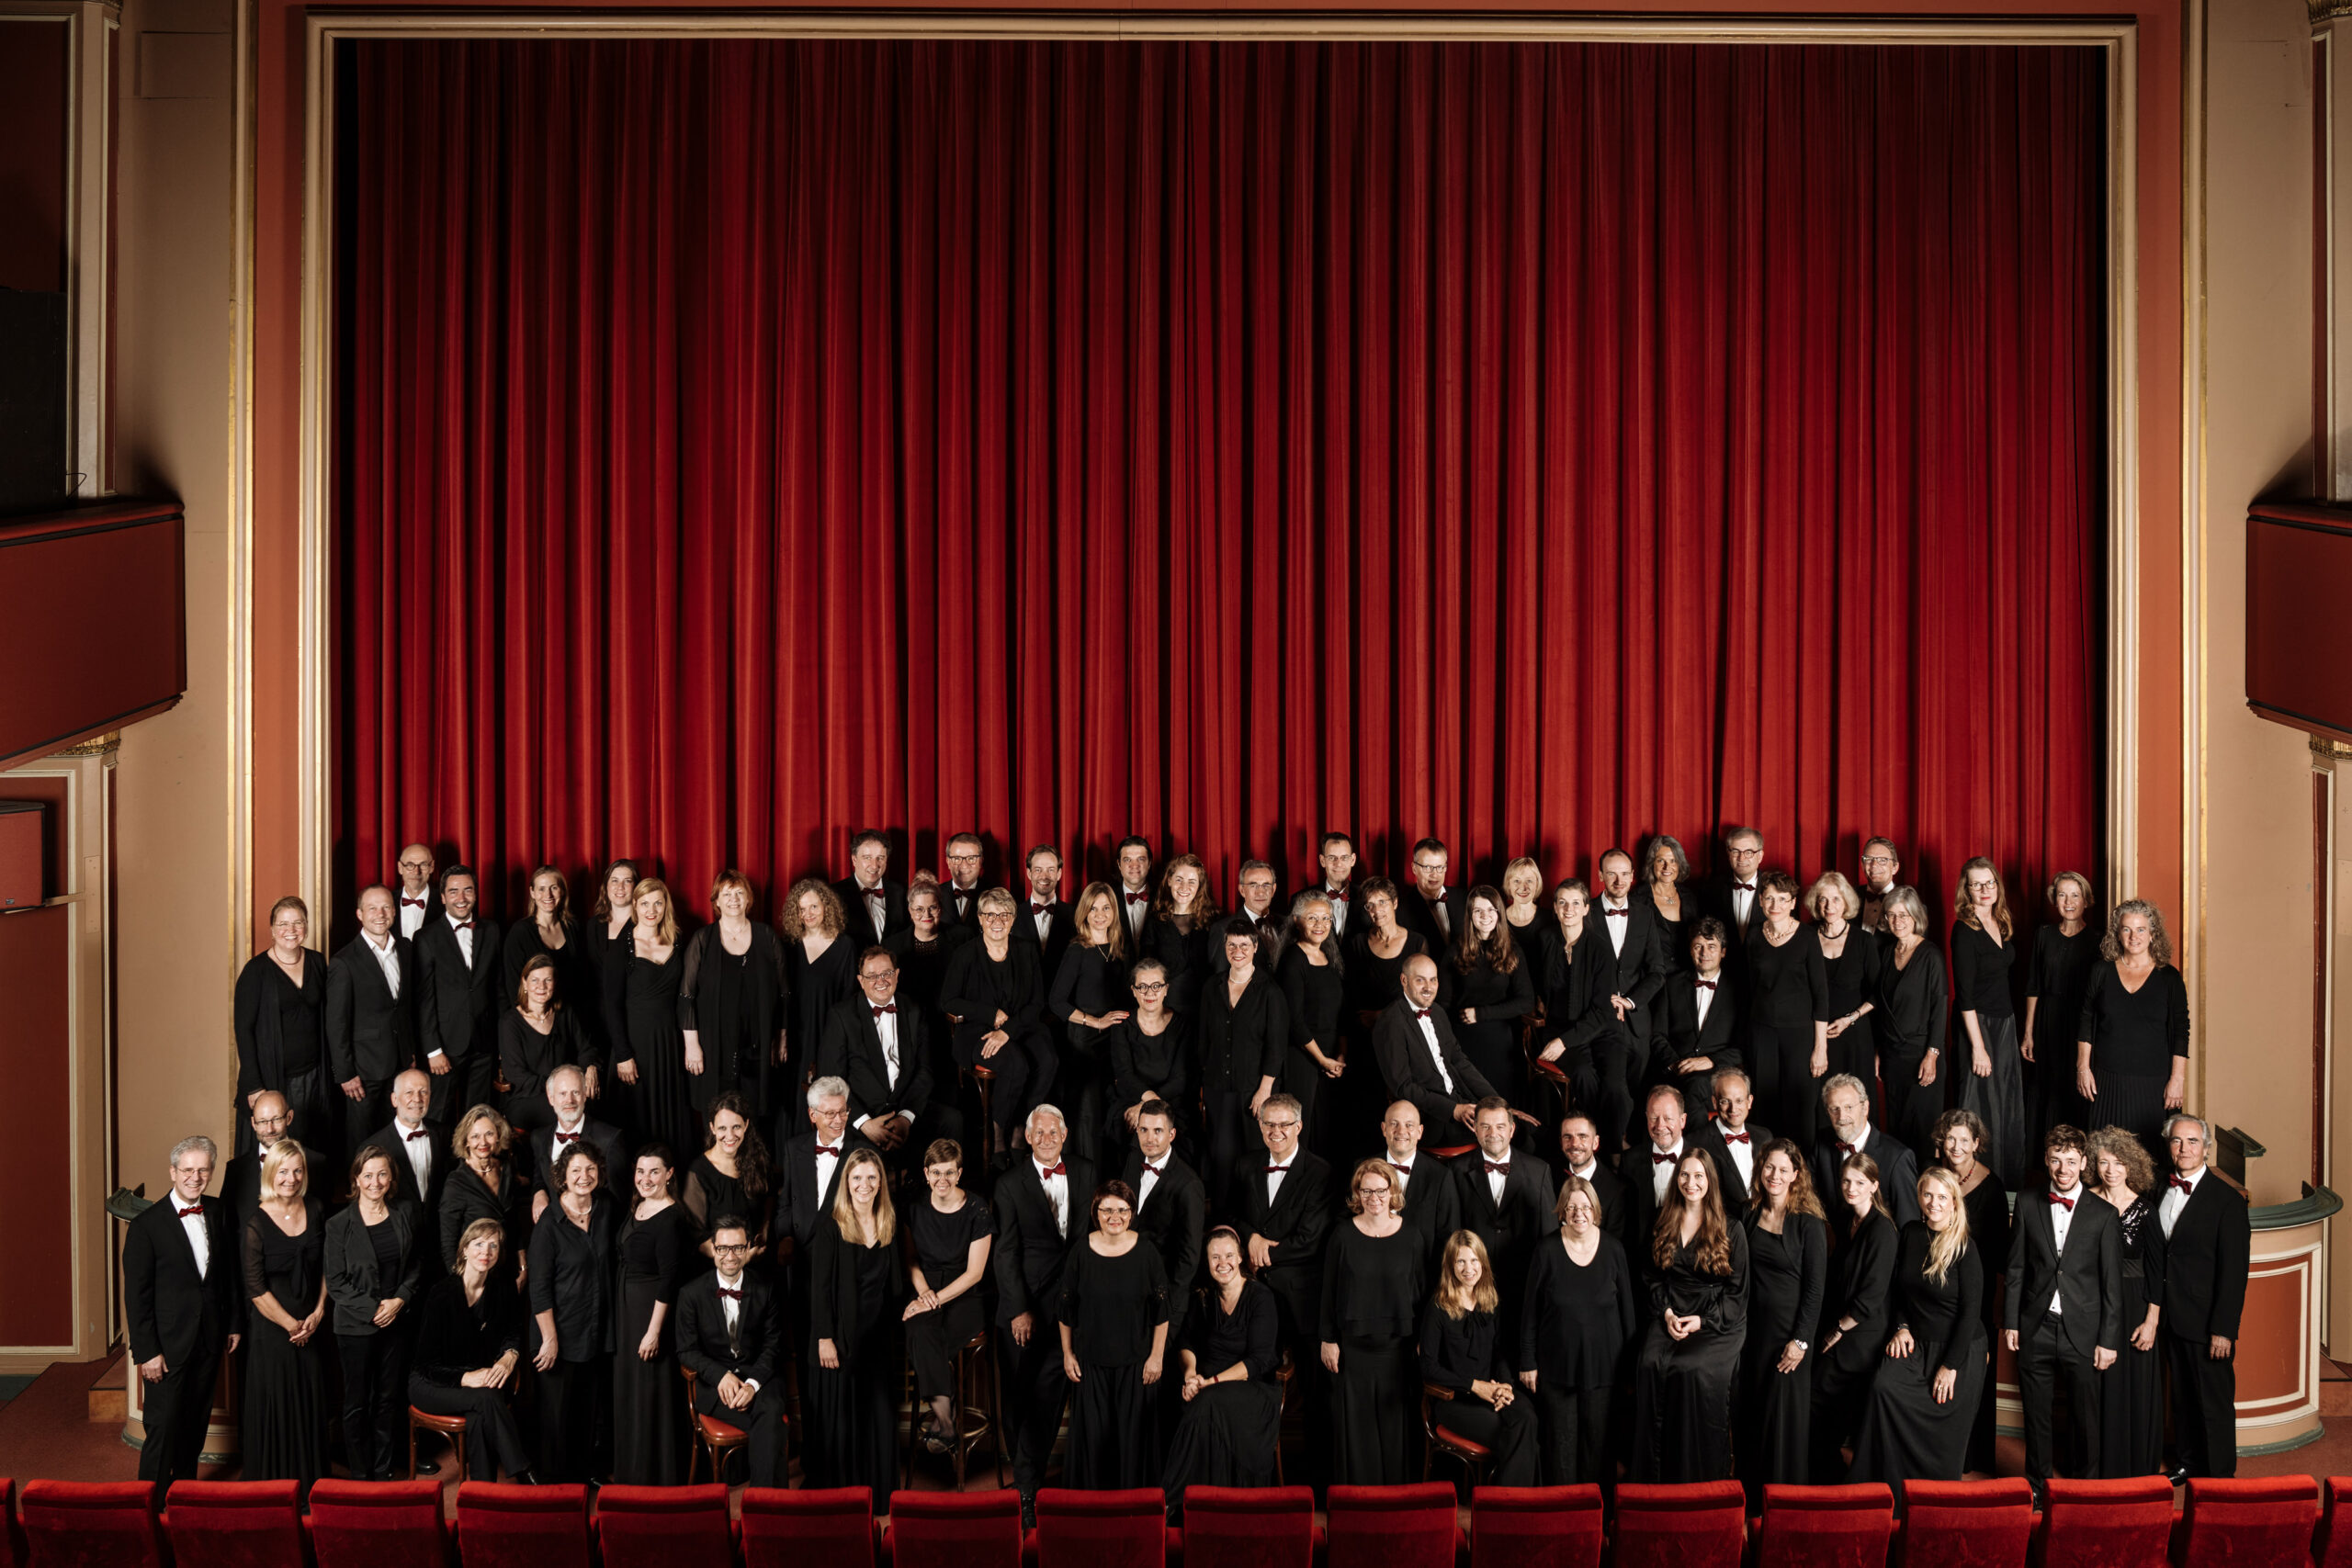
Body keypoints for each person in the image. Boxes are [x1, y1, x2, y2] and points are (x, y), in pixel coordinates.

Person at [2004, 1124, 2120, 1499]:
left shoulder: (2103, 1214)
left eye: (2071, 1161)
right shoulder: (2026, 1202)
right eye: (2056, 1161)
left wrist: (2107, 1340)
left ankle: (2085, 1491)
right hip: (2035, 1326)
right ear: (2046, 1161)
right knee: (2035, 1419)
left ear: (2084, 1162)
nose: (2064, 1169)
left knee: (2085, 1419)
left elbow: (2111, 1285)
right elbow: (2017, 1268)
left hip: (2083, 1330)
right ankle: (2037, 1488)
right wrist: (2011, 1322)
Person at [1849, 1168, 1984, 1484]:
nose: (1933, 1203)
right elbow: (1896, 1290)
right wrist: (1902, 1326)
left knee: (1940, 1413)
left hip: (1957, 1348)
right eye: (1927, 1195)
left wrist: (1950, 1366)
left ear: (1954, 1201)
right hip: (1915, 1340)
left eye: (1942, 1197)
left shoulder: (1966, 1248)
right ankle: (1883, 1486)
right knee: (1883, 1387)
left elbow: (1970, 1313)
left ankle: (1930, 1496)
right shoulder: (1910, 1232)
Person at [995, 1105, 1093, 1509]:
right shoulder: (1008, 1184)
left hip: (1070, 1306)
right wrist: (1019, 1308)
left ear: (1065, 1134)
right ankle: (1025, 1480)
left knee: (1049, 1393)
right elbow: (1005, 1252)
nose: (1048, 1138)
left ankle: (1026, 1487)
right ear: (1029, 1138)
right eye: (1041, 1133)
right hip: (1026, 1305)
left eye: (1055, 1131)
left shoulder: (1086, 1171)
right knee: (1019, 1396)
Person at [1630, 1148, 1748, 1482]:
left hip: (1716, 1319)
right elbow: (1651, 1276)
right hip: (1667, 1309)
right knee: (1649, 1364)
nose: (1690, 1182)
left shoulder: (1732, 1228)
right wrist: (1666, 1313)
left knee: (1690, 1370)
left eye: (1698, 1176)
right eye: (1684, 1175)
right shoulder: (1662, 1219)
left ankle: (1696, 1477)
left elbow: (1736, 1294)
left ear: (1710, 1180)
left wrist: (1702, 1321)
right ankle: (1654, 1477)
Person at [1518, 1175, 1638, 1486]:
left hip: (1604, 1369)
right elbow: (1529, 1312)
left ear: (1595, 1209)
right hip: (1556, 1369)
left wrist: (1629, 1369)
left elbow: (1628, 1314)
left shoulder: (1613, 1250)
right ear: (1562, 1211)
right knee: (1561, 1447)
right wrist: (1527, 1361)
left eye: (1585, 1206)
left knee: (1598, 1447)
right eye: (1571, 1207)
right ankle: (1565, 1519)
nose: (1578, 1214)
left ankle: (1598, 1520)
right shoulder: (1546, 1250)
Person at [806, 1147, 907, 1499]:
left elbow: (895, 1285)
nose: (864, 1185)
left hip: (876, 1336)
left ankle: (877, 1491)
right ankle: (843, 1496)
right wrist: (824, 1337)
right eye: (857, 1178)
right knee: (844, 1419)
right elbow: (819, 1288)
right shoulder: (831, 1225)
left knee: (877, 1413)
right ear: (846, 1182)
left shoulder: (888, 1221)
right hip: (839, 1335)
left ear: (881, 1183)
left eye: (871, 1178)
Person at [1059, 1181, 1173, 1487]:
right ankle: (1095, 1512)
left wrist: (1157, 1357)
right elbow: (1066, 1308)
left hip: (1136, 1365)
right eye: (1107, 1209)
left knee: (1132, 1442)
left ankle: (1132, 1510)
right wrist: (1068, 1354)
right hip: (1090, 1364)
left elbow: (1161, 1312)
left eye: (1122, 1210)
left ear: (1131, 1213)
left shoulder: (1147, 1252)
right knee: (1094, 1443)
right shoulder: (1081, 1251)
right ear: (1096, 1213)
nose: (1115, 1216)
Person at [1319, 1160, 1426, 1483]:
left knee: (1397, 1429)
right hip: (1354, 1350)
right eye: (1366, 1190)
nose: (1374, 1197)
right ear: (1357, 1193)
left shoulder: (1411, 1235)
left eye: (1380, 1190)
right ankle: (1359, 1503)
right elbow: (1329, 1290)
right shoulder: (1342, 1235)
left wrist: (1423, 1341)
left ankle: (1396, 1502)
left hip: (1398, 1350)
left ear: (1392, 1191)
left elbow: (1421, 1292)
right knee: (1358, 1428)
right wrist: (1328, 1339)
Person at [2159, 1113, 2250, 1481]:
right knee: (2181, 1399)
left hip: (2207, 1321)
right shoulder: (2159, 1190)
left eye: (2193, 1141)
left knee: (2213, 1404)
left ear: (2207, 1149)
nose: (2184, 1148)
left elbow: (2234, 1275)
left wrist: (2223, 1330)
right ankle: (2188, 1461)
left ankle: (2218, 1477)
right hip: (2170, 1317)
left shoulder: (2228, 1201)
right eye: (2178, 1141)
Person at [1161, 1226, 1283, 1500]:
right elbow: (1186, 1343)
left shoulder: (1260, 1297)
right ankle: (1201, 1502)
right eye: (1215, 1257)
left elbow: (1259, 1360)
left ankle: (1171, 1498)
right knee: (1183, 1400)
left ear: (1240, 1258)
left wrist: (1210, 1383)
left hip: (1252, 1389)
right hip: (1207, 1385)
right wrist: (1191, 1375)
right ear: (1207, 1261)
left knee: (1206, 1403)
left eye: (1229, 1255)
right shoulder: (1202, 1297)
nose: (1222, 1263)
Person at [324, 1146, 424, 1481]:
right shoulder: (338, 1225)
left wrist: (399, 1301)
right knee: (357, 1403)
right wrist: (374, 1309)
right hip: (354, 1326)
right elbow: (336, 1283)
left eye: (382, 1174)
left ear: (391, 1177)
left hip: (396, 1321)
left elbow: (415, 1266)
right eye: (367, 1175)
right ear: (356, 1179)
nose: (375, 1181)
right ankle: (360, 1472)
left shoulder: (404, 1213)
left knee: (388, 1398)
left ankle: (383, 1470)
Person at [409, 1219, 533, 1482]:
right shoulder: (440, 1294)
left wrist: (510, 1355)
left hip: (477, 1379)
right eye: (478, 1244)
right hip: (431, 1383)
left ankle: (480, 1488)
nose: (485, 1253)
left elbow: (514, 1331)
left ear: (499, 1254)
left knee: (480, 1411)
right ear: (464, 1249)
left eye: (493, 1246)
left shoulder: (504, 1287)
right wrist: (466, 1378)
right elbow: (424, 1364)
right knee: (486, 1398)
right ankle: (523, 1469)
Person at [1738, 1139, 1826, 1500]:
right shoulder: (1748, 1213)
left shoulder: (1810, 1225)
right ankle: (1752, 1497)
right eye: (1769, 1167)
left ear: (1795, 1175)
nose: (1775, 1175)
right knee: (1753, 1413)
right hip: (1752, 1333)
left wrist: (1801, 1341)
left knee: (1783, 1420)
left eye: (1783, 1169)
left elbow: (1815, 1289)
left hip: (1790, 1339)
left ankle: (1784, 1502)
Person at [674, 1216, 789, 1486]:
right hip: (714, 1385)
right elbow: (686, 1350)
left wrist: (751, 1384)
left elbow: (774, 1345)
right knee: (771, 1423)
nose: (730, 1256)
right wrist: (721, 1376)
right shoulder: (691, 1294)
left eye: (738, 1248)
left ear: (748, 1247)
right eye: (723, 1248)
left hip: (757, 1378)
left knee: (769, 1409)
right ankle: (770, 1505)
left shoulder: (765, 1288)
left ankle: (761, 1504)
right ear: (713, 1249)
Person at [528, 1140, 618, 1482]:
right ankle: (555, 1483)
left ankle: (584, 1473)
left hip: (594, 1327)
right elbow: (538, 1288)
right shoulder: (549, 1225)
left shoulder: (607, 1207)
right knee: (557, 1415)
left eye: (591, 1169)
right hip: (558, 1332)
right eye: (576, 1170)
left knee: (588, 1409)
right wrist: (549, 1339)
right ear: (562, 1176)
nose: (584, 1176)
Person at [241, 1140, 329, 1486]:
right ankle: (275, 1488)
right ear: (270, 1173)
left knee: (309, 1403)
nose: (290, 1178)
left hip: (312, 1324)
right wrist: (292, 1325)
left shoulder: (317, 1208)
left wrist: (319, 1312)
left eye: (297, 1170)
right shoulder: (256, 1223)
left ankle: (311, 1486)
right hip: (274, 1330)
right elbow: (256, 1289)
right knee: (277, 1406)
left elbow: (327, 1267)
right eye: (283, 1171)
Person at [2075, 901, 2192, 1161]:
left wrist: (2177, 1079)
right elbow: (2086, 1020)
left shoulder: (2169, 978)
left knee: (2149, 1162)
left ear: (2153, 934)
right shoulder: (2101, 971)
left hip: (2153, 1085)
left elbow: (2181, 1032)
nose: (2134, 937)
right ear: (2117, 933)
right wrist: (2083, 1068)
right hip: (2105, 1082)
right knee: (2103, 1158)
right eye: (2126, 930)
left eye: (2141, 930)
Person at [942, 888, 1056, 1152]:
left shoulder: (1026, 951)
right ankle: (999, 1132)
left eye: (1004, 914)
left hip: (1022, 1025)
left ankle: (1023, 1125)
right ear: (980, 918)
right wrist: (989, 1013)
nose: (997, 921)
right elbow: (948, 1001)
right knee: (1016, 1064)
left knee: (1049, 1060)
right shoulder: (965, 954)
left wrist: (1009, 1030)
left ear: (1014, 919)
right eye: (990, 914)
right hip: (977, 1030)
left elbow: (1037, 1002)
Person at [1419, 1230, 1537, 1483]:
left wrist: (1505, 1386)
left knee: (1528, 1416)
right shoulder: (1438, 1307)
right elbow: (1428, 1367)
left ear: (1483, 1263)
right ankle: (1508, 1509)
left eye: (1474, 1261)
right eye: (1461, 1261)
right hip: (1454, 1401)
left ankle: (1505, 1505)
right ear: (1450, 1265)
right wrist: (1476, 1387)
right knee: (1517, 1434)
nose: (1468, 1268)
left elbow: (1500, 1353)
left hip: (1491, 1392)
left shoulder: (1490, 1302)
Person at [1809, 1154, 1898, 1483]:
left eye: (1860, 1182)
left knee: (1820, 1401)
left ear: (1874, 1186)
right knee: (1824, 1406)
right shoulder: (1849, 1221)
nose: (1851, 1188)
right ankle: (1824, 1473)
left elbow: (1872, 1296)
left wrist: (1837, 1330)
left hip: (1861, 1333)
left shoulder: (1882, 1230)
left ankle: (1828, 1477)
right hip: (1845, 1325)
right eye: (1846, 1181)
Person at [1233, 1095, 1335, 1382]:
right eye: (1268, 1124)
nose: (1275, 1131)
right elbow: (1229, 1215)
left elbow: (1309, 1240)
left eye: (1284, 1125)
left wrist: (1260, 1255)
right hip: (1251, 1292)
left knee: (1313, 1386)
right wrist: (1250, 1236)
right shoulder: (1245, 1165)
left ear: (1299, 1126)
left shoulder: (1320, 1172)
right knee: (1254, 1377)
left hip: (1299, 1295)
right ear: (1260, 1126)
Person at [903, 1139, 993, 1454]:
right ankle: (946, 1421)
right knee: (917, 1328)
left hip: (967, 1294)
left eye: (950, 1173)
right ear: (926, 1173)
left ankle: (944, 1425)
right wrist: (924, 1292)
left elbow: (975, 1273)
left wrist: (934, 1299)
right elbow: (911, 1259)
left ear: (959, 1173)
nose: (943, 1180)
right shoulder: (914, 1207)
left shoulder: (977, 1208)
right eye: (936, 1172)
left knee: (931, 1339)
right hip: (927, 1287)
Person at [680, 871, 790, 1125]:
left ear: (749, 899)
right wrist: (692, 1045)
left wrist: (781, 1038)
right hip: (713, 1045)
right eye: (726, 894)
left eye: (739, 893)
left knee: (756, 1116)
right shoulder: (702, 940)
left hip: (759, 1044)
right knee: (717, 1114)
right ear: (716, 901)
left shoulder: (767, 936)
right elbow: (686, 996)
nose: (733, 899)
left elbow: (784, 992)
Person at [235, 897, 335, 1172]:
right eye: (283, 924)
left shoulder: (316, 961)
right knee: (274, 1157)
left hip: (315, 1077)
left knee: (309, 1153)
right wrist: (255, 1085)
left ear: (306, 926)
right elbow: (243, 1031)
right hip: (271, 1080)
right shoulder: (255, 972)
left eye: (298, 922)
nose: (291, 929)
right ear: (272, 929)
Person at [2086, 1126, 2165, 1479]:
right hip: (2093, 1302)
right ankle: (2098, 1467)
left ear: (2131, 1165)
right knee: (2096, 1386)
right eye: (2104, 1162)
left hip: (2135, 1305)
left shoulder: (2146, 1211)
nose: (2111, 1170)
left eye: (2118, 1163)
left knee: (2133, 1386)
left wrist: (2151, 1321)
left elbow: (2157, 1272)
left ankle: (2134, 1468)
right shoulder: (2083, 1201)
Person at [1934, 1109, 2009, 1472]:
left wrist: (1996, 1305)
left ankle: (1974, 1456)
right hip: (1937, 1293)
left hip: (1977, 1297)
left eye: (1965, 1139)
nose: (1957, 1146)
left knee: (1975, 1371)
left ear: (1977, 1144)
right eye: (1951, 1138)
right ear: (1941, 1142)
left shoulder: (1992, 1188)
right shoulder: (1932, 1179)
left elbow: (2000, 1256)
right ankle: (1940, 1454)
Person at [1197, 925, 1292, 1213]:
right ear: (1225, 948)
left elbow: (1277, 1046)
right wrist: (1203, 1086)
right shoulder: (1211, 987)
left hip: (1254, 1089)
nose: (1237, 952)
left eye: (1243, 946)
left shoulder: (1270, 991)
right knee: (1221, 1160)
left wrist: (1264, 1090)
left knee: (1253, 1158)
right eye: (1231, 946)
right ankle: (1224, 1226)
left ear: (1255, 948)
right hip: (1217, 1088)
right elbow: (1204, 1040)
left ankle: (1251, 1223)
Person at [612, 1145, 690, 1485]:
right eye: (640, 1171)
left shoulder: (671, 1217)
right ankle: (632, 1471)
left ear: (670, 1174)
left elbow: (670, 1279)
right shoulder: (639, 1205)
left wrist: (654, 1331)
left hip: (650, 1313)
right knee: (632, 1391)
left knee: (650, 1391)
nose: (645, 1179)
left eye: (654, 1171)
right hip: (628, 1312)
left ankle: (655, 1476)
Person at [1532, 880, 1629, 1147]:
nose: (1568, 908)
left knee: (1615, 1087)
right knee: (1585, 1076)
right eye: (1562, 902)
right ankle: (1586, 1146)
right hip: (1560, 1028)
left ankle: (1610, 1150)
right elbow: (1536, 985)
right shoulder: (1545, 940)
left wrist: (1563, 1043)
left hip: (1602, 1030)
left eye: (1576, 903)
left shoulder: (1601, 948)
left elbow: (1601, 1011)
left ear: (1587, 908)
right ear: (1554, 907)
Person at [325, 885, 418, 1155]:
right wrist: (345, 1074)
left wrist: (409, 1050)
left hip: (400, 1063)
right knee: (363, 1139)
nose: (381, 914)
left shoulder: (406, 948)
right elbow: (336, 1023)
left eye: (387, 907)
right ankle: (359, 1194)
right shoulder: (344, 961)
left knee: (397, 1136)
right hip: (363, 1070)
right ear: (359, 914)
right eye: (372, 908)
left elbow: (407, 1007)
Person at [1453, 1097, 1555, 1337]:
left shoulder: (1539, 1171)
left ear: (1512, 1129)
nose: (1493, 1133)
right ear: (1475, 1129)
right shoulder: (1456, 1170)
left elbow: (1549, 1237)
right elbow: (1452, 1235)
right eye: (1485, 1126)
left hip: (1523, 1286)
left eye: (1500, 1126)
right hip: (1472, 1288)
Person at [1745, 873, 1833, 1152]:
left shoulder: (1808, 937)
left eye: (1782, 899)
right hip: (1761, 1034)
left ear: (1793, 903)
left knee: (1800, 1110)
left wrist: (1821, 1048)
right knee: (1765, 1108)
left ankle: (1802, 1179)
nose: (1775, 905)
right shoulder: (1754, 935)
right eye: (1769, 898)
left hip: (1800, 1036)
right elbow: (1747, 990)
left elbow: (1821, 996)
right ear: (1760, 901)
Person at [1951, 859, 2025, 1185]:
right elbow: (1964, 996)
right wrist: (1978, 1048)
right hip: (1977, 1027)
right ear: (1966, 891)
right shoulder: (1964, 930)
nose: (1985, 890)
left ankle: (2005, 1183)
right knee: (1977, 1106)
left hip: (2005, 1023)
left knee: (2006, 1105)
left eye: (1990, 883)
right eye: (1976, 884)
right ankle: (1971, 1183)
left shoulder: (2001, 921)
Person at [1047, 882, 1130, 1164]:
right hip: (1084, 1041)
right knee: (1088, 1112)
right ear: (1084, 912)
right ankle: (1088, 1175)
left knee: (1114, 1107)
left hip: (1115, 1041)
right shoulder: (1077, 950)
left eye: (1106, 908)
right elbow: (1056, 1002)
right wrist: (1095, 1022)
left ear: (1114, 912)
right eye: (1093, 908)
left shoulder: (1119, 949)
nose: (1099, 914)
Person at [1373, 953, 1498, 1137]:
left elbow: (1459, 1061)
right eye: (1420, 981)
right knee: (1499, 1137)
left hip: (1461, 1099)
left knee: (1519, 1129)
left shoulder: (1438, 1012)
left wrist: (1494, 1101)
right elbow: (1403, 1087)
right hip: (1429, 1116)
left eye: (1433, 980)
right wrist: (1453, 1109)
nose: (1428, 988)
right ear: (1404, 980)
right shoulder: (1390, 1021)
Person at [415, 865, 503, 1123]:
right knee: (438, 1115)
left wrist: (501, 1044)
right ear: (442, 897)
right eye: (453, 892)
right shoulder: (426, 938)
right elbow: (424, 999)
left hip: (484, 1043)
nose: (461, 898)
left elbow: (499, 990)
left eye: (468, 890)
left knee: (478, 1116)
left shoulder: (492, 931)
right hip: (445, 1046)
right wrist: (433, 1050)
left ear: (476, 893)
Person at [613, 876, 693, 1156]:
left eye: (658, 902)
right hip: (635, 1044)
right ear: (635, 905)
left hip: (670, 1042)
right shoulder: (622, 945)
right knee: (639, 1117)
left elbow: (688, 994)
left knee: (670, 1111)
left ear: (665, 905)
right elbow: (610, 1005)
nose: (651, 909)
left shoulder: (678, 939)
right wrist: (623, 1054)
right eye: (645, 903)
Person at [1442, 886, 1538, 1105]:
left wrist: (1482, 1013)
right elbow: (1443, 1003)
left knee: (1500, 1056)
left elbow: (1526, 1001)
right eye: (1478, 911)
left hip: (1499, 1028)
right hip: (1462, 1030)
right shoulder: (1455, 951)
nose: (1485, 916)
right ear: (1470, 916)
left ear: (1499, 913)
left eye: (1491, 910)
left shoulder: (1513, 950)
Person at [780, 879, 859, 1135]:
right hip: (795, 1032)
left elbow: (849, 996)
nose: (808, 914)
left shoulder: (845, 945)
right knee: (793, 1093)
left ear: (827, 906)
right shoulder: (789, 945)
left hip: (829, 1032)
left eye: (814, 906)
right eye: (802, 909)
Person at [1874, 889, 1949, 1157]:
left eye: (1903, 915)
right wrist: (1878, 1051)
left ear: (1915, 916)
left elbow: (1940, 1008)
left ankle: (1925, 1192)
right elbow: (1881, 1007)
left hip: (1922, 1056)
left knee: (1922, 1131)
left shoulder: (1931, 955)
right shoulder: (1886, 952)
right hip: (1893, 1055)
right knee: (1896, 1129)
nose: (1897, 921)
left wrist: (1932, 1054)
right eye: (1891, 915)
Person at [2024, 874, 2100, 1137]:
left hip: (2080, 1026)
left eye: (2075, 895)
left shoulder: (2097, 942)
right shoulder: (2043, 935)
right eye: (2062, 895)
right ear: (2054, 899)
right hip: (2047, 1022)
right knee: (2046, 1089)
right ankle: (2045, 1160)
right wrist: (2028, 1032)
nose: (2068, 902)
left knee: (2073, 1090)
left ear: (2086, 901)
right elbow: (2033, 986)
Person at [1589, 851, 1671, 1087]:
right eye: (1612, 874)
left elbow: (1657, 970)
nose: (1619, 881)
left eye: (1625, 874)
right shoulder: (1585, 912)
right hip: (1597, 1020)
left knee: (1636, 1092)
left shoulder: (1645, 914)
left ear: (1633, 875)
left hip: (1637, 1022)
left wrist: (1631, 1001)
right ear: (1600, 875)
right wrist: (1606, 1000)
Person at [499, 866, 599, 1059]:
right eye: (542, 888)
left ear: (562, 891)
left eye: (554, 887)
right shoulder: (520, 933)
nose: (548, 894)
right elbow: (512, 987)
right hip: (537, 1028)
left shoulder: (573, 927)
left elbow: (585, 979)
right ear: (532, 893)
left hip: (573, 1025)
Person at [1616, 1085, 1735, 1248]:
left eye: (1668, 1118)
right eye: (1653, 1118)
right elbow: (1625, 1221)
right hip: (1642, 1257)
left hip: (1689, 1255)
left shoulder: (1705, 1160)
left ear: (1682, 1120)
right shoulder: (1630, 1160)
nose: (1660, 1126)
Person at [1277, 892, 1348, 1147]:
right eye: (1312, 918)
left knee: (1329, 1133)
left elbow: (1341, 1012)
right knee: (1304, 1132)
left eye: (1326, 918)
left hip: (1331, 1058)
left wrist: (1340, 1055)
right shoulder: (1293, 959)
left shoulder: (1331, 957)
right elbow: (1294, 1021)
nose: (1320, 925)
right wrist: (1321, 1060)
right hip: (1304, 1057)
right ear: (1297, 921)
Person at [499, 953, 596, 1137]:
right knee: (572, 1115)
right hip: (529, 1096)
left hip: (566, 1093)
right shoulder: (510, 1022)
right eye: (534, 980)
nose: (541, 987)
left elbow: (586, 1048)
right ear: (524, 983)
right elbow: (516, 1074)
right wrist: (557, 1090)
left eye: (547, 980)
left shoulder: (565, 1013)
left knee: (591, 1110)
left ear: (555, 983)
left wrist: (590, 1066)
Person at [1106, 959, 1193, 1153]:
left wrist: (1147, 1107)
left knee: (1179, 1135)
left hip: (1171, 1100)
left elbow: (1180, 1079)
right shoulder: (1122, 1024)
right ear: (1134, 990)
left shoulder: (1182, 1025)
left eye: (1156, 986)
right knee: (1128, 1131)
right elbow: (1124, 1075)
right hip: (1131, 1099)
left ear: (1166, 989)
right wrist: (1145, 1104)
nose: (1149, 993)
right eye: (1142, 987)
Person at [1658, 922, 1743, 1121]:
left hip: (1717, 1072)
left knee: (1694, 1087)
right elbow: (1657, 1034)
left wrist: (1710, 1061)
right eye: (1698, 946)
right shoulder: (1671, 984)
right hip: (1675, 1068)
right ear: (1690, 950)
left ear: (1723, 952)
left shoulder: (1739, 990)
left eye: (1711, 947)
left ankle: (1696, 1151)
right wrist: (1675, 1064)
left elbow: (1742, 1046)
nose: (1704, 953)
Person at [1813, 1075, 1921, 1227]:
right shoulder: (1821, 1141)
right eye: (1834, 1109)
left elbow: (1909, 1225)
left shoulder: (1898, 1157)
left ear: (1865, 1107)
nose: (1842, 1116)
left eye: (1848, 1107)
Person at [437, 1103, 531, 1277]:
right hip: (475, 1270)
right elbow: (448, 1243)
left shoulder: (506, 1169)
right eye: (475, 1136)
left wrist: (523, 1265)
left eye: (489, 1134)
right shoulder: (456, 1183)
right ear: (465, 1141)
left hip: (508, 1266)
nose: (483, 1142)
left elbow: (513, 1222)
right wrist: (460, 1283)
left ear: (498, 1136)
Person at [683, 1093, 773, 1267]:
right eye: (722, 1128)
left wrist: (765, 1227)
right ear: (712, 1128)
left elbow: (769, 1197)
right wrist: (739, 1259)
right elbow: (696, 1236)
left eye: (736, 1127)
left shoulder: (757, 1159)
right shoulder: (699, 1172)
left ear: (746, 1125)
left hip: (758, 1262)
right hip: (719, 1269)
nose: (730, 1135)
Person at [1125, 1100, 1204, 1297]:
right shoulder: (1133, 1161)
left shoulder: (1189, 1184)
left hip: (1161, 1291)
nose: (1149, 1138)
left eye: (1158, 1131)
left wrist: (1169, 1306)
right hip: (1125, 1280)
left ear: (1172, 1135)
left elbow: (1188, 1257)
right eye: (1144, 1129)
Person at [1811, 874, 1882, 1089]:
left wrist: (1850, 1019)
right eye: (1823, 899)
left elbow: (1879, 992)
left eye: (1836, 899)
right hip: (1816, 1037)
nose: (1829, 906)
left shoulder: (1864, 941)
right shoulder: (1806, 938)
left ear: (1846, 903)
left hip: (1855, 1037)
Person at [523, 1065, 628, 1209]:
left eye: (576, 1092)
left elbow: (617, 1201)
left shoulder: (609, 1139)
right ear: (551, 1098)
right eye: (562, 1094)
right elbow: (539, 1176)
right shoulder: (539, 1138)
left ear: (585, 1095)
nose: (569, 1100)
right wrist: (539, 1192)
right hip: (554, 1227)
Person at [1380, 1099, 1464, 1262]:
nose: (1401, 1131)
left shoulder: (1441, 1176)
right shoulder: (1363, 1169)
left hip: (1420, 1278)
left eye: (1409, 1125)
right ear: (1384, 1129)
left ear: (1420, 1131)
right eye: (1394, 1124)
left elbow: (1449, 1238)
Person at [1139, 853, 1219, 1016]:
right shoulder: (1154, 922)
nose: (1184, 887)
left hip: (1205, 1009)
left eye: (1192, 882)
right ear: (1169, 881)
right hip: (1165, 1009)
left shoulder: (1214, 922)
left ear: (1199, 886)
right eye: (1179, 880)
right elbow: (1145, 969)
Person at [360, 1068, 447, 1214]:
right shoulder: (373, 1146)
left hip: (437, 1227)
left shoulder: (444, 1134)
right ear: (394, 1099)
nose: (417, 1099)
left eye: (423, 1092)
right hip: (397, 1230)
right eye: (409, 1092)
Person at [1555, 1112, 1629, 1248]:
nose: (1574, 1144)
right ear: (1561, 1142)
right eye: (1568, 1137)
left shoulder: (1617, 1189)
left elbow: (1614, 1248)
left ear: (1595, 1142)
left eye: (1582, 1137)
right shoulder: (1549, 1179)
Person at [1012, 843, 1079, 985]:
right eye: (1038, 870)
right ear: (1029, 874)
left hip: (1063, 1001)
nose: (1044, 876)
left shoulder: (1075, 915)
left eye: (1050, 870)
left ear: (1059, 874)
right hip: (1023, 1000)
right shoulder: (1012, 914)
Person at [1699, 825, 1768, 959]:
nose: (1741, 859)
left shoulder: (1776, 889)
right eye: (1736, 851)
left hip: (1765, 971)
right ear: (1728, 854)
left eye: (1748, 852)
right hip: (1725, 970)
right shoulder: (1710, 890)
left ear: (1760, 856)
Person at [833, 830, 910, 946]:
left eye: (880, 858)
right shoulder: (835, 894)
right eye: (867, 857)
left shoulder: (900, 892)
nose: (874, 865)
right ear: (854, 860)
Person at [1214, 861, 1289, 974]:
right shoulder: (1222, 928)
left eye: (1266, 885)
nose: (1260, 892)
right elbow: (1220, 980)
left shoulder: (1287, 923)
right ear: (1242, 890)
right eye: (1253, 885)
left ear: (1273, 890)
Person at [1709, 1068, 1772, 1199]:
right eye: (1725, 1101)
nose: (1733, 1109)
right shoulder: (1697, 1142)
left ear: (1749, 1101)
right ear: (1715, 1103)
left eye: (1739, 1101)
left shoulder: (1765, 1137)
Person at [1396, 838, 1466, 953]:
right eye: (1427, 867)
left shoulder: (1464, 898)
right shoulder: (1401, 910)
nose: (1434, 875)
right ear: (1414, 868)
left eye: (1440, 867)